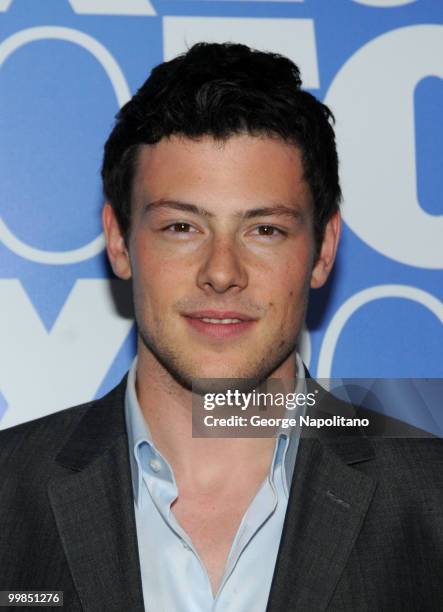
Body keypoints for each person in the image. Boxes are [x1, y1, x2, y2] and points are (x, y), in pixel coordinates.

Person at [0, 42, 441, 612]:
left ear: (324, 248)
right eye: (182, 226)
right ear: (119, 240)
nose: (222, 273)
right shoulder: (8, 496)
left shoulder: (430, 499)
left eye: (265, 231)